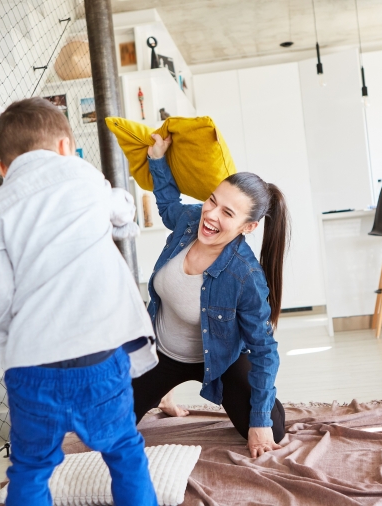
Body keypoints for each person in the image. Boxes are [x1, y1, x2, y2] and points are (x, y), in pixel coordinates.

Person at [0, 97, 158, 506]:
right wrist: (122, 218)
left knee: (30, 467)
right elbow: (122, 210)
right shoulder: (83, 176)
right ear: (63, 147)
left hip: (31, 361)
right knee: (124, 450)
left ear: (3, 168)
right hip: (98, 354)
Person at [132, 133, 289, 458]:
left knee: (271, 430)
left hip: (220, 360)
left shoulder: (245, 276)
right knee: (105, 424)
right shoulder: (189, 222)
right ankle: (164, 393)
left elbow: (264, 350)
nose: (212, 215)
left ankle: (264, 408)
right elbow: (167, 206)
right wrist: (158, 160)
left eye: (228, 213)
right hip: (161, 353)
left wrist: (259, 420)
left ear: (248, 227)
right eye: (212, 200)